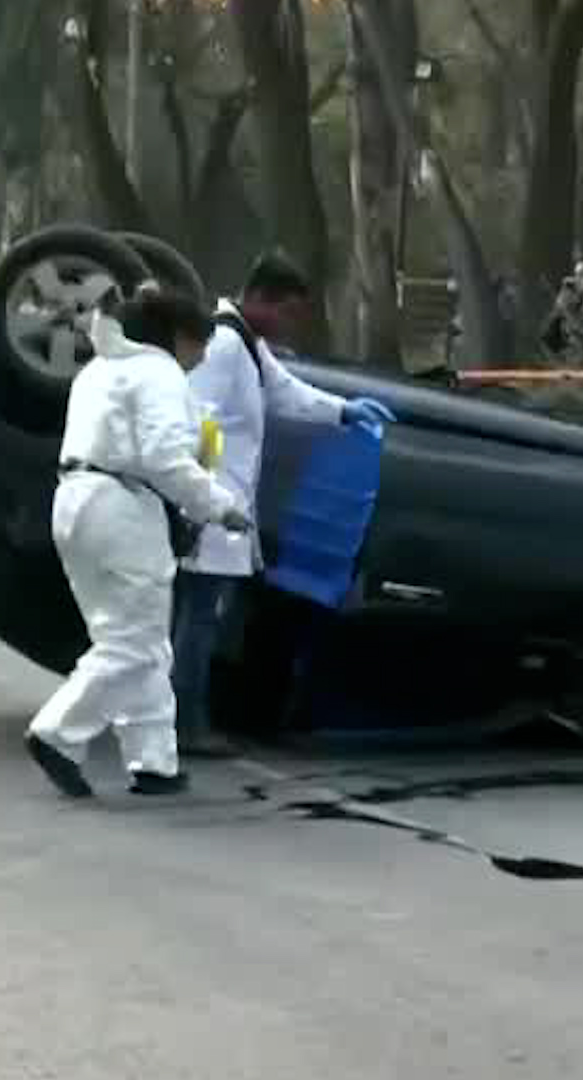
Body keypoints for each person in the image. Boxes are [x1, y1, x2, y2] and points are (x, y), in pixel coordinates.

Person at [25, 289, 251, 798]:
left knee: (140, 640)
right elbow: (165, 457)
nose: (198, 362)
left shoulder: (99, 371)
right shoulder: (159, 373)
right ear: (179, 339)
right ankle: (57, 733)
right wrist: (219, 505)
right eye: (199, 348)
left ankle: (154, 762)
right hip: (123, 507)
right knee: (132, 642)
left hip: (76, 502)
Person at [171, 254, 394, 758]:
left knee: (203, 617)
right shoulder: (223, 344)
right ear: (260, 300)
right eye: (288, 312)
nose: (291, 324)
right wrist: (198, 499)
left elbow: (285, 392)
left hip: (223, 507)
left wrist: (342, 411)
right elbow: (195, 419)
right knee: (197, 619)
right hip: (207, 508)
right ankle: (186, 722)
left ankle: (185, 715)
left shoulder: (249, 346)